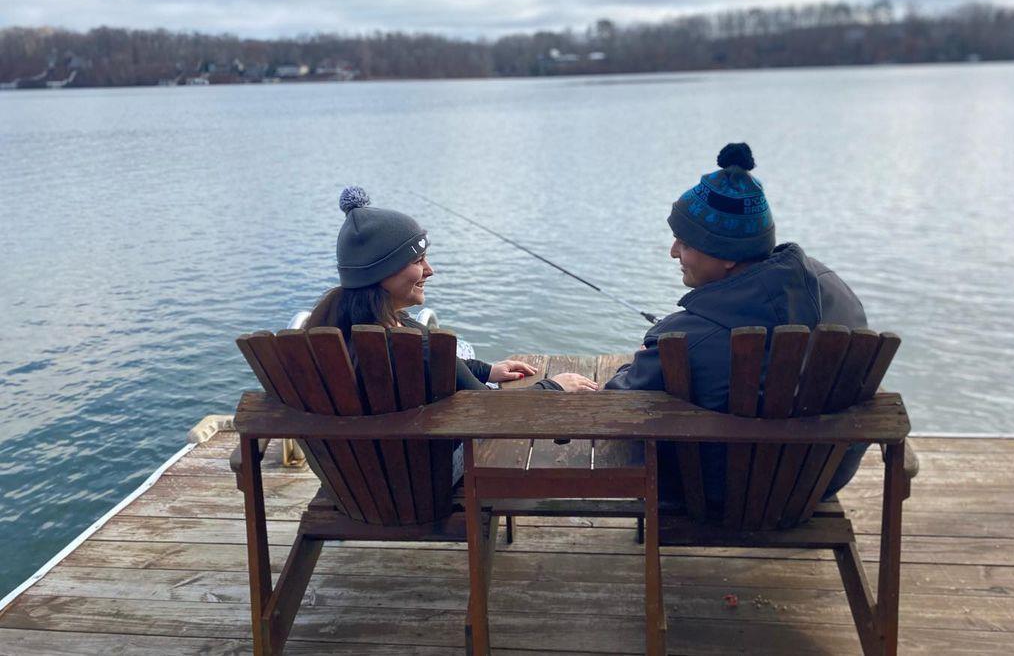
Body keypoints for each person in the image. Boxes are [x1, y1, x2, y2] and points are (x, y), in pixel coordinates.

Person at [604, 142, 868, 503]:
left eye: (685, 242)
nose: (673, 252)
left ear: (727, 255)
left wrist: (633, 364)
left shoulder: (686, 339)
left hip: (719, 497)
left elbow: (617, 407)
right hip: (818, 483)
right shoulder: (835, 290)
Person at [309, 185, 599, 396]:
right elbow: (492, 412)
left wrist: (486, 371)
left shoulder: (325, 332)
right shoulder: (414, 345)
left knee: (462, 353)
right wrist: (554, 386)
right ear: (381, 273)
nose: (430, 270)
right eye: (417, 260)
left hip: (349, 473)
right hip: (427, 472)